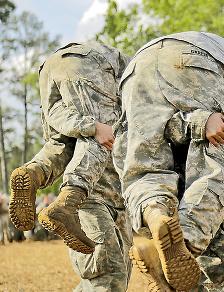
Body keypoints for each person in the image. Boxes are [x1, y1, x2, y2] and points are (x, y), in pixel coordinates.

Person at [113, 33, 224, 291]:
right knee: (221, 155)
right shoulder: (222, 81)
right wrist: (203, 121)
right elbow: (221, 164)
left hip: (136, 67)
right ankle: (181, 246)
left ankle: (158, 223)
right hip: (191, 55)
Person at [12, 42, 133, 291]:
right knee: (101, 130)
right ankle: (68, 200)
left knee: (63, 141)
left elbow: (65, 132)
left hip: (52, 65)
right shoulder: (145, 76)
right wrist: (94, 127)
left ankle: (33, 173)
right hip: (89, 62)